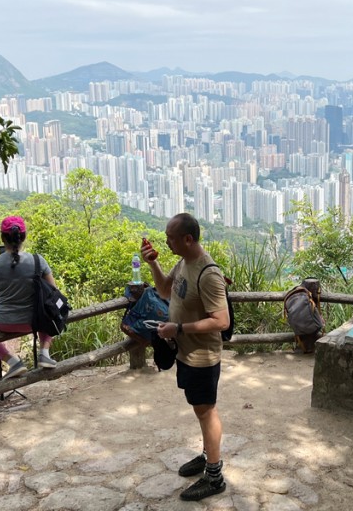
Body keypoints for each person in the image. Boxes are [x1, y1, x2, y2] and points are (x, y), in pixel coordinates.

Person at [143, 213, 230, 502]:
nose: (166, 242)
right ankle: (207, 457)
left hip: (203, 356)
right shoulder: (183, 263)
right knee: (200, 409)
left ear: (187, 239)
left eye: (170, 238)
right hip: (185, 352)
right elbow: (166, 290)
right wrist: (153, 263)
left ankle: (215, 477)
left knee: (207, 410)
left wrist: (178, 327)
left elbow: (221, 321)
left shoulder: (208, 273)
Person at [0, 216, 60, 379]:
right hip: (34, 321)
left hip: (4, 322)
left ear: (2, 237)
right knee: (48, 311)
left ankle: (13, 362)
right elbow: (53, 290)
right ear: (24, 236)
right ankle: (44, 353)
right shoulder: (37, 260)